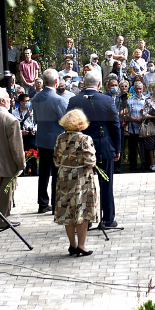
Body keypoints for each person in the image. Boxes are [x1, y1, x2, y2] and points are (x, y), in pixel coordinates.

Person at [66, 72, 121, 228]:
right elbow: (115, 126)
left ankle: (85, 220)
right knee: (106, 184)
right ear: (99, 84)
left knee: (82, 185)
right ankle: (108, 219)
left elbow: (68, 126)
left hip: (81, 148)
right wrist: (117, 148)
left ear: (83, 83)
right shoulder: (108, 100)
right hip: (104, 146)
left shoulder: (74, 101)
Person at [53, 108, 100, 257]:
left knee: (67, 210)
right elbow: (90, 161)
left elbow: (56, 159)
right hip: (81, 178)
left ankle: (72, 245)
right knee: (82, 210)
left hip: (64, 176)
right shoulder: (85, 139)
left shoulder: (60, 138)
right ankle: (82, 245)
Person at [0, 88, 26, 229]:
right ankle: (3, 220)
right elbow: (16, 146)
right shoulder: (11, 119)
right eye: (8, 98)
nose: (10, 100)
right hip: (5, 163)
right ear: (2, 101)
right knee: (4, 193)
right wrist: (21, 164)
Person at [33, 69, 67, 213]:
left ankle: (42, 203)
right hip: (56, 140)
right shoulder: (58, 99)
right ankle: (55, 204)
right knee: (57, 172)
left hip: (42, 139)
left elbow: (35, 119)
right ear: (56, 82)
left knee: (44, 173)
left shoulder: (35, 97)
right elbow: (66, 120)